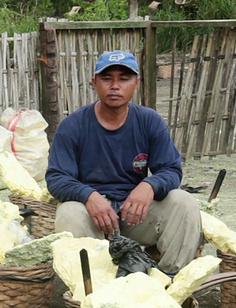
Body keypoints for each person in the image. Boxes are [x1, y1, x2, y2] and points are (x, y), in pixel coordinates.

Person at [45, 50, 202, 275]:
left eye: (124, 78)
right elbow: (56, 178)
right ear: (94, 82)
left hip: (135, 214)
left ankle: (170, 282)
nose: (115, 86)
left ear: (136, 83)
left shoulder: (149, 121)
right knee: (69, 212)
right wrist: (88, 196)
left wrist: (149, 185)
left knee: (183, 202)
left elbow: (171, 170)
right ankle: (89, 289)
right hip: (93, 218)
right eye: (107, 78)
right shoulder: (73, 125)